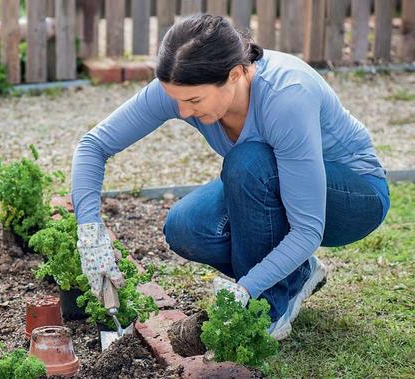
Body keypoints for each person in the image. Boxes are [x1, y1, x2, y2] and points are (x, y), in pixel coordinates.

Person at [71, 14, 390, 340]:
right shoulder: (184, 88)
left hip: (353, 197)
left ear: (235, 74)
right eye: (177, 100)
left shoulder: (286, 96)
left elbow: (307, 229)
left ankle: (269, 308)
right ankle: (297, 275)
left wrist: (246, 288)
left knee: (249, 163)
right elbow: (93, 146)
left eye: (194, 101)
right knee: (187, 227)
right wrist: (90, 234)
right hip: (278, 183)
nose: (183, 112)